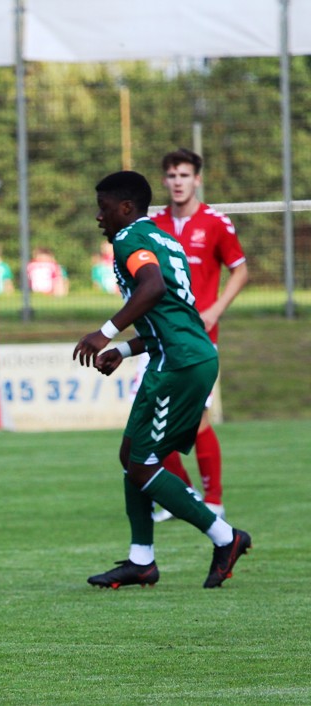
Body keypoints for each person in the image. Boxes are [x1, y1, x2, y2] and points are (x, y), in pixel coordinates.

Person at [74, 170, 251, 590]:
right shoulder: (162, 238)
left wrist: (106, 332)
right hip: (181, 354)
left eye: (103, 209)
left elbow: (151, 289)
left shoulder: (129, 240)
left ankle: (226, 537)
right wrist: (126, 349)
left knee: (142, 464)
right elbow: (171, 317)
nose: (99, 217)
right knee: (132, 454)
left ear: (126, 208)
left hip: (180, 365)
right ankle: (141, 561)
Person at [145, 148, 248, 521]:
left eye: (184, 175)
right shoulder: (153, 223)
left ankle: (214, 500)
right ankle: (181, 494)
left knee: (197, 418)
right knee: (155, 418)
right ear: (164, 180)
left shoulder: (216, 223)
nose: (177, 182)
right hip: (160, 337)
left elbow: (240, 269)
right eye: (172, 176)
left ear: (197, 179)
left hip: (199, 339)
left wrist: (214, 310)